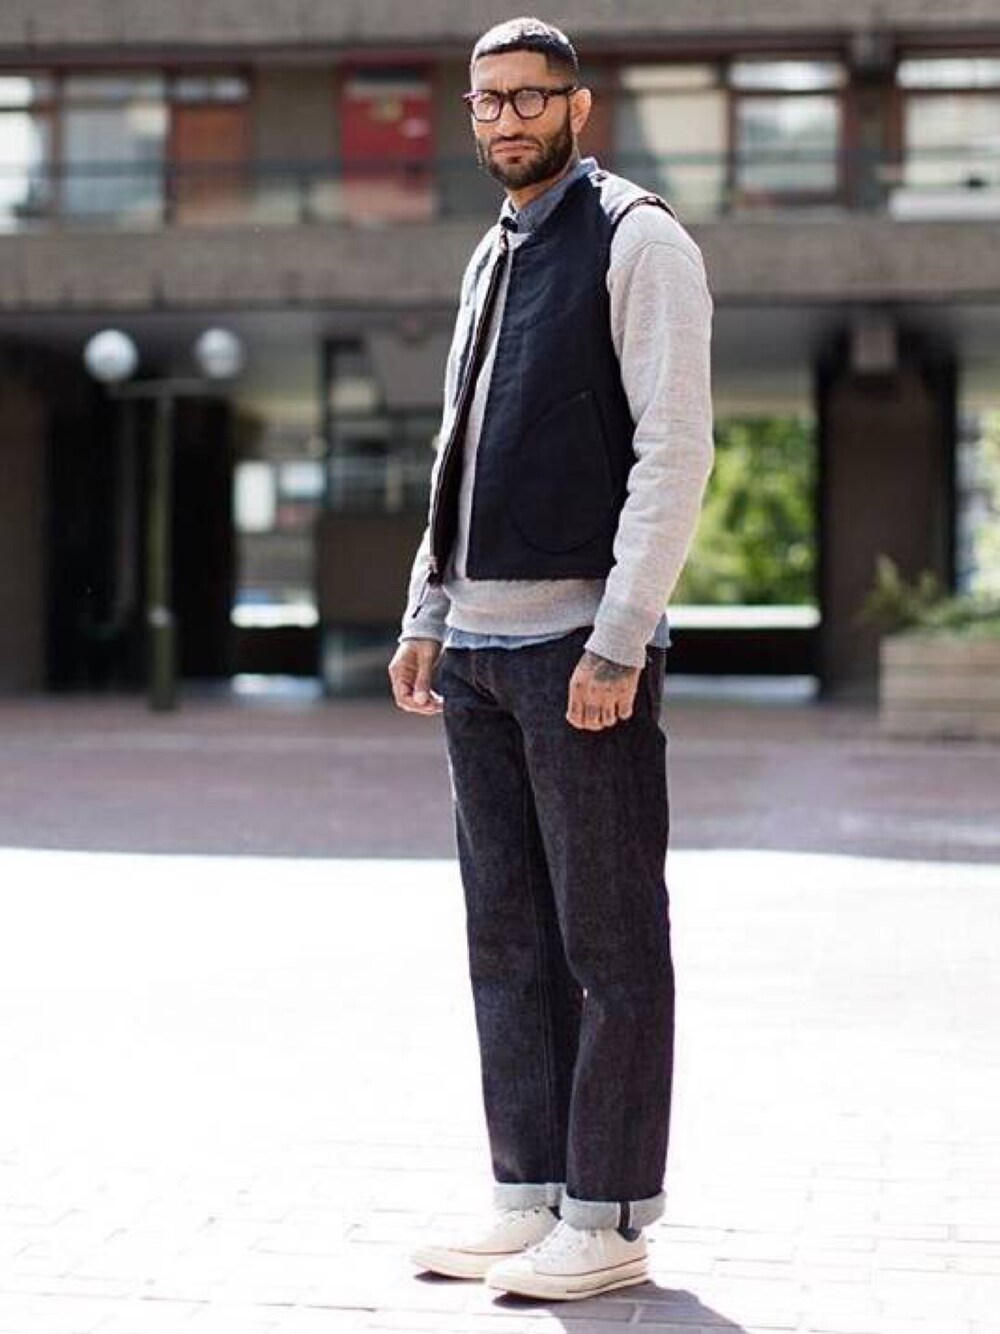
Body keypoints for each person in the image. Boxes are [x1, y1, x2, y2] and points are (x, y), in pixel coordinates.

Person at [387, 15, 714, 1303]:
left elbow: (675, 451)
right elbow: (456, 444)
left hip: (580, 648)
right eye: (487, 102)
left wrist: (620, 636)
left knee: (610, 944)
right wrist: (427, 608)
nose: (507, 119)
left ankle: (612, 1213)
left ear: (580, 106)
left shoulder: (639, 239)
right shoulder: (492, 249)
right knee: (506, 940)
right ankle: (530, 1198)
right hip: (476, 649)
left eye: (531, 98)